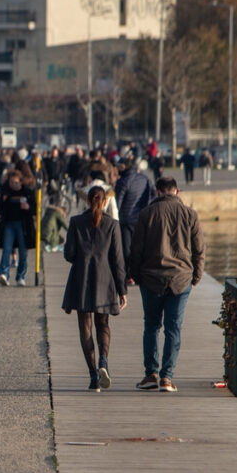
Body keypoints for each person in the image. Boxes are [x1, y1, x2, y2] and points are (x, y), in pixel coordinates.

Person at [129, 177, 205, 393]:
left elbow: (136, 250)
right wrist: (196, 276)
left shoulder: (146, 214)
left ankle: (151, 374)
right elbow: (199, 249)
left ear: (157, 191)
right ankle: (167, 377)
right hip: (181, 279)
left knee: (152, 326)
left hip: (151, 278)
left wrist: (136, 275)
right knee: (174, 328)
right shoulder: (190, 214)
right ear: (176, 191)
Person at [62, 186, 127, 391]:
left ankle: (93, 377)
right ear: (105, 202)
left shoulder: (75, 222)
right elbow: (117, 260)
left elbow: (69, 254)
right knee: (103, 324)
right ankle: (104, 362)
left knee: (85, 327)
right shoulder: (112, 224)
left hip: (81, 280)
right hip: (104, 280)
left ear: (88, 201)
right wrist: (122, 289)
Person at [114, 156, 155, 280]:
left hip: (126, 220)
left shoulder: (123, 181)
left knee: (127, 249)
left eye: (118, 166)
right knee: (140, 247)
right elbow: (152, 194)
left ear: (123, 167)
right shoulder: (145, 179)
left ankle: (130, 275)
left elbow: (118, 203)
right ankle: (140, 273)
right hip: (142, 218)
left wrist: (116, 218)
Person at [0, 170, 35, 286]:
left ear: (21, 182)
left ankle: (21, 276)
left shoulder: (27, 192)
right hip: (9, 224)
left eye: (16, 182)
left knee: (23, 252)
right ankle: (3, 274)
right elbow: (0, 209)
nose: (13, 185)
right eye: (11, 182)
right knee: (7, 250)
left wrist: (28, 207)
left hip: (23, 225)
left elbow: (35, 208)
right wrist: (4, 202)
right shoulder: (6, 192)